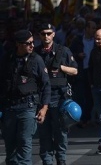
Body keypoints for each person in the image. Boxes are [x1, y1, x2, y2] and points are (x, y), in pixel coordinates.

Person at [0, 30, 51, 164]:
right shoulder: (7, 59)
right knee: (10, 144)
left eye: (33, 42)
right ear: (18, 44)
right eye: (28, 43)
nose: (32, 46)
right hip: (9, 108)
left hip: (28, 107)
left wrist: (44, 108)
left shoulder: (36, 60)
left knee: (24, 142)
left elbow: (46, 85)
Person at [34, 23, 78, 165]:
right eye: (43, 34)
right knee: (44, 133)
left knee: (60, 133)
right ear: (39, 36)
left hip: (59, 97)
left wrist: (60, 67)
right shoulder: (36, 53)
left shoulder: (63, 51)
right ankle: (47, 160)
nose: (46, 36)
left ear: (53, 34)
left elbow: (75, 71)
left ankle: (61, 159)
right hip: (41, 98)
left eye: (48, 33)